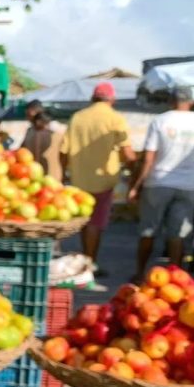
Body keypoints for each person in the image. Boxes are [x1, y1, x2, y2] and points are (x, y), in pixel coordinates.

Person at [127, 86, 194, 281]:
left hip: (158, 182)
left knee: (148, 231)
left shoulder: (160, 121)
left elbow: (148, 158)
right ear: (191, 102)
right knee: (177, 234)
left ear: (171, 101)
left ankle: (140, 273)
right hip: (188, 185)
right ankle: (176, 279)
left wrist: (136, 186)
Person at [59, 82, 137, 271]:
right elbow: (128, 154)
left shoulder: (77, 117)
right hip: (103, 181)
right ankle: (89, 265)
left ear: (93, 98)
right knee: (95, 223)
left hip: (79, 180)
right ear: (112, 99)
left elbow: (63, 151)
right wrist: (135, 172)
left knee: (86, 221)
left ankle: (86, 260)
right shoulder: (115, 118)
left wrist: (63, 174)